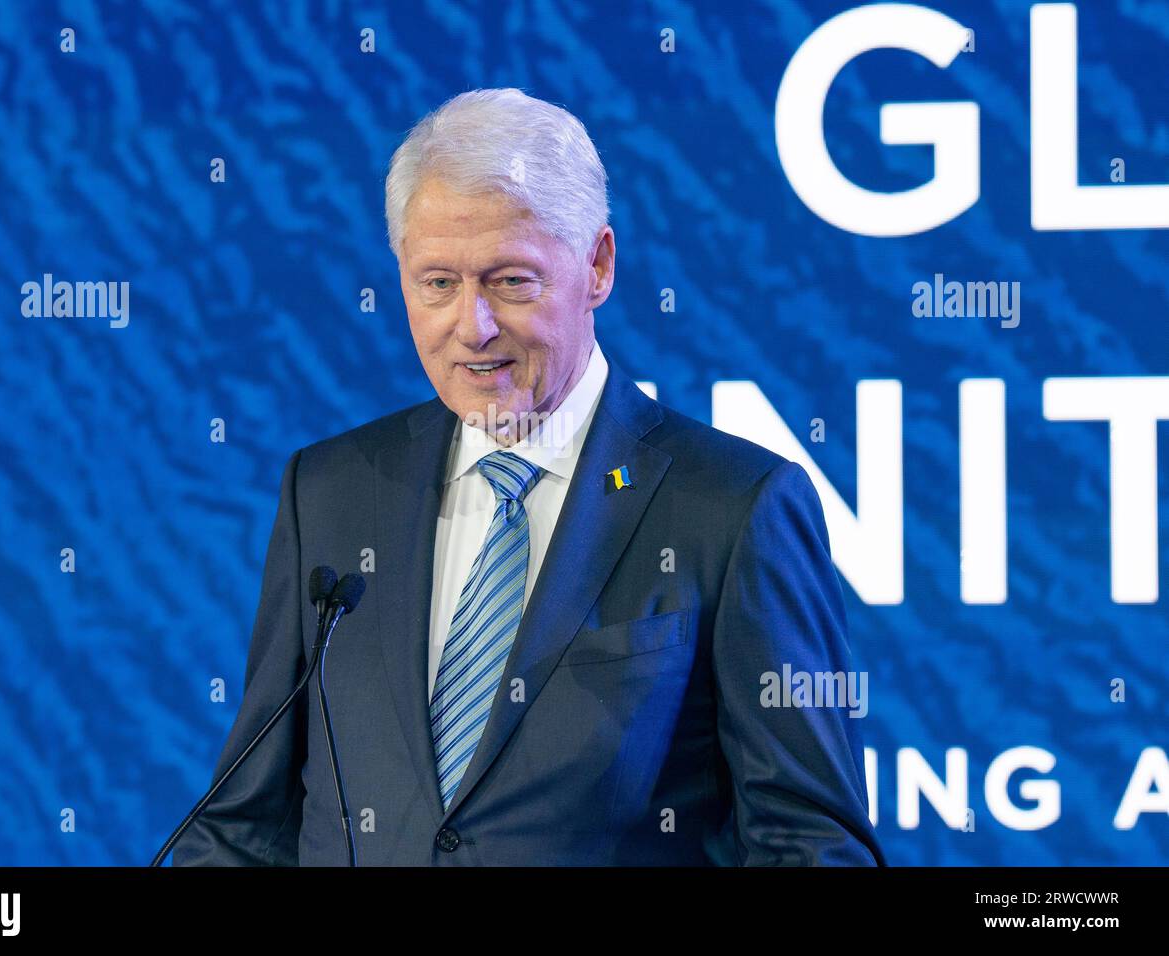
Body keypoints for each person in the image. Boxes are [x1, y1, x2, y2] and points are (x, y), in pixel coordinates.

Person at [173, 88, 883, 866]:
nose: (471, 327)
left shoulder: (733, 508)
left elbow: (809, 845)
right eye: (437, 282)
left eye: (511, 282)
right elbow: (245, 825)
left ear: (599, 266)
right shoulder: (330, 493)